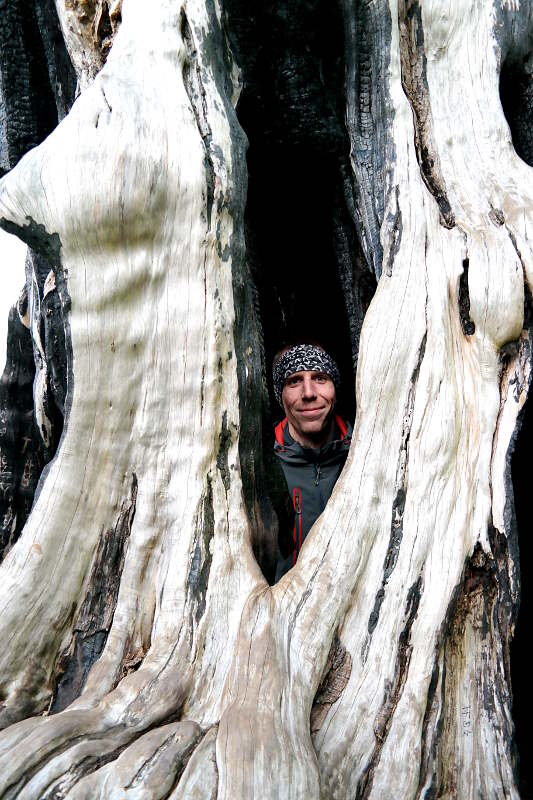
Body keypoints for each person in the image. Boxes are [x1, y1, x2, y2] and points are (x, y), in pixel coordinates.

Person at [271, 343, 352, 580]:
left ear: (334, 388)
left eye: (319, 377)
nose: (308, 392)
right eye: (294, 381)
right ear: (281, 395)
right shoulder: (262, 467)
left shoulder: (365, 452)